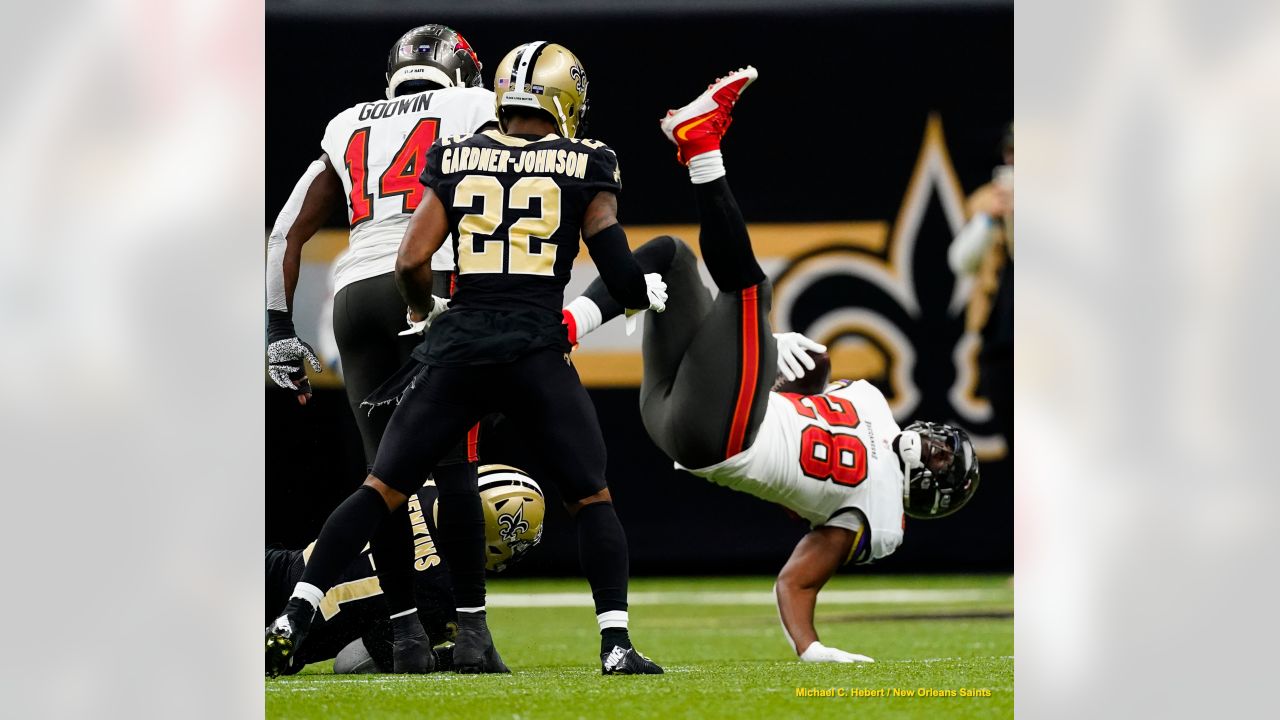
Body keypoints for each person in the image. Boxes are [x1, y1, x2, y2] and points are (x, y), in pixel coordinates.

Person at [267, 41, 667, 677]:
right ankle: (592, 641)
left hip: (427, 331)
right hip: (531, 343)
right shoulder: (583, 159)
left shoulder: (439, 153)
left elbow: (384, 253)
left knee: (381, 485)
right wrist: (638, 291)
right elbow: (617, 268)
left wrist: (415, 317)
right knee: (585, 495)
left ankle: (318, 618)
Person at [561, 67, 981, 663]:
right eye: (944, 443)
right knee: (670, 258)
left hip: (721, 435)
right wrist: (801, 365)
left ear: (930, 491)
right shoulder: (875, 406)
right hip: (685, 410)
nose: (934, 444)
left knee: (748, 288)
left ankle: (702, 146)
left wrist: (810, 648)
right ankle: (569, 326)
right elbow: (813, 392)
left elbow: (796, 579)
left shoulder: (881, 517)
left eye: (942, 459)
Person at [264, 24, 495, 673]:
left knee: (384, 477)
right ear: (463, 70)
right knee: (455, 468)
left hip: (356, 295)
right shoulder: (473, 107)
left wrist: (278, 331)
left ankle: (407, 638)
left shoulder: (347, 123)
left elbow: (285, 235)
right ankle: (474, 636)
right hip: (428, 276)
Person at [265, 465, 545, 675]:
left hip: (272, 567)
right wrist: (449, 658)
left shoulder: (418, 484)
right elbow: (351, 662)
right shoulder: (448, 597)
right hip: (290, 645)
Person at [948, 123, 1013, 452]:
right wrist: (990, 219)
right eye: (1011, 153)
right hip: (1001, 341)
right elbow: (961, 261)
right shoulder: (987, 200)